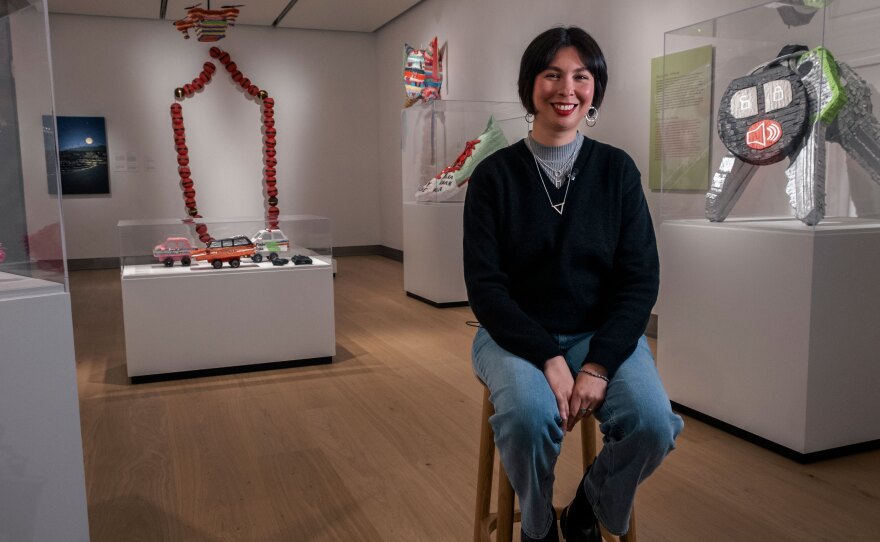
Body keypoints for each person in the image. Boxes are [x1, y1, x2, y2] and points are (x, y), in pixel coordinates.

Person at [463, 26, 684, 542]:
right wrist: (548, 357)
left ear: (595, 88)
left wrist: (599, 364)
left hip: (599, 333)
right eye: (552, 74)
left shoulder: (617, 171)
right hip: (512, 337)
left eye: (581, 76)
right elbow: (486, 289)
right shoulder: (494, 176)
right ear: (530, 85)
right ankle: (538, 527)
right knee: (525, 417)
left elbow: (639, 281)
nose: (567, 89)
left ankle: (589, 506)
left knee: (653, 423)